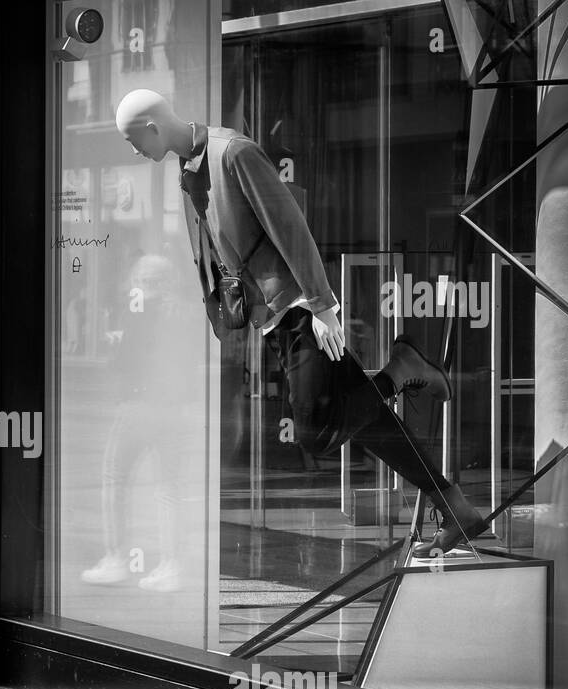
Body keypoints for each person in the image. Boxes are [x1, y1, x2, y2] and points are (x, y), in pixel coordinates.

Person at [114, 89, 484, 557]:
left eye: (132, 140)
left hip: (296, 308)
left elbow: (289, 225)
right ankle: (455, 506)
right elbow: (210, 252)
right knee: (365, 421)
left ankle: (399, 370)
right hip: (270, 315)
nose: (133, 151)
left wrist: (322, 305)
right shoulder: (189, 171)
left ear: (151, 127)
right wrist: (223, 316)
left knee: (317, 432)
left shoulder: (234, 153)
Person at [81, 254, 202, 592]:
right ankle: (171, 565)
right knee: (169, 488)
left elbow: (125, 359)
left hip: (140, 406)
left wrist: (117, 344)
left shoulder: (139, 308)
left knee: (114, 477)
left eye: (140, 278)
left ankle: (116, 557)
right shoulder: (185, 310)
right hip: (175, 410)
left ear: (145, 280)